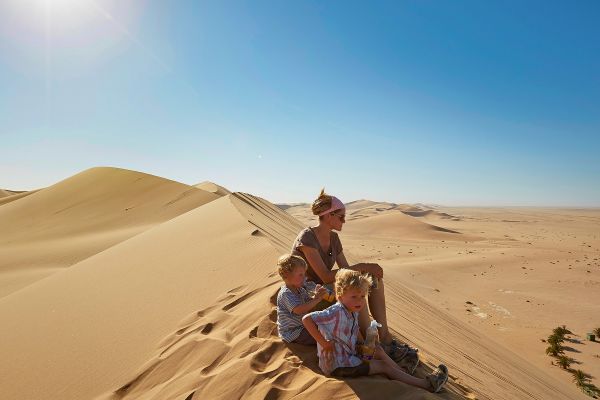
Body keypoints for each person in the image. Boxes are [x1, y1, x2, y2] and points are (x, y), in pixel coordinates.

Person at [291, 189, 418, 369]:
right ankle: (373, 344)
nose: (344, 220)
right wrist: (364, 265)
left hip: (326, 287)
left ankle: (385, 337)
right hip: (311, 293)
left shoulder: (334, 238)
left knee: (370, 280)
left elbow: (346, 272)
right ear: (329, 216)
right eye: (341, 216)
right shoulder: (307, 237)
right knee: (356, 290)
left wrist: (367, 272)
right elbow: (326, 276)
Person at [302, 269, 448, 393]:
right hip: (339, 365)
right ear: (339, 296)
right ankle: (427, 385)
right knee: (383, 367)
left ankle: (401, 372)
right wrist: (324, 343)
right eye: (354, 296)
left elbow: (353, 332)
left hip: (349, 354)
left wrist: (365, 346)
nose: (359, 301)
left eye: (362, 296)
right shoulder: (335, 312)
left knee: (377, 350)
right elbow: (306, 319)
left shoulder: (352, 310)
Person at [276, 254, 329, 345]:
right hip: (294, 332)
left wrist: (316, 296)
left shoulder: (300, 290)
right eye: (300, 274)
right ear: (286, 275)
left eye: (304, 274)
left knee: (326, 327)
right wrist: (316, 299)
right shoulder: (285, 293)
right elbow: (299, 310)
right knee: (323, 335)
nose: (305, 277)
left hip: (304, 325)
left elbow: (308, 304)